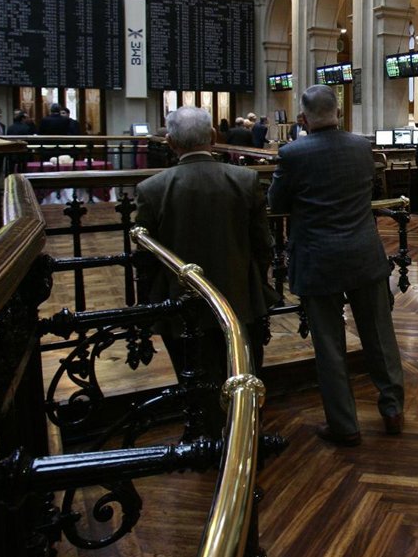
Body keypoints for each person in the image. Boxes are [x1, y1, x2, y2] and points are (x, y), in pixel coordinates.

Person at [267, 85, 404, 446]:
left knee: (329, 345)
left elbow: (276, 203)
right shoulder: (362, 147)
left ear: (303, 118)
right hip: (363, 253)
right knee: (380, 335)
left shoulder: (292, 154)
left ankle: (345, 425)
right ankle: (393, 409)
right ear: (339, 114)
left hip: (318, 258)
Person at [134, 106, 275, 436]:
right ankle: (245, 437)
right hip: (241, 298)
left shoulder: (151, 189)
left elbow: (146, 258)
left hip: (181, 305)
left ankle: (204, 437)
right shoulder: (245, 180)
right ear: (213, 136)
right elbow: (263, 244)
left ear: (170, 143)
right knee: (243, 376)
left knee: (194, 381)